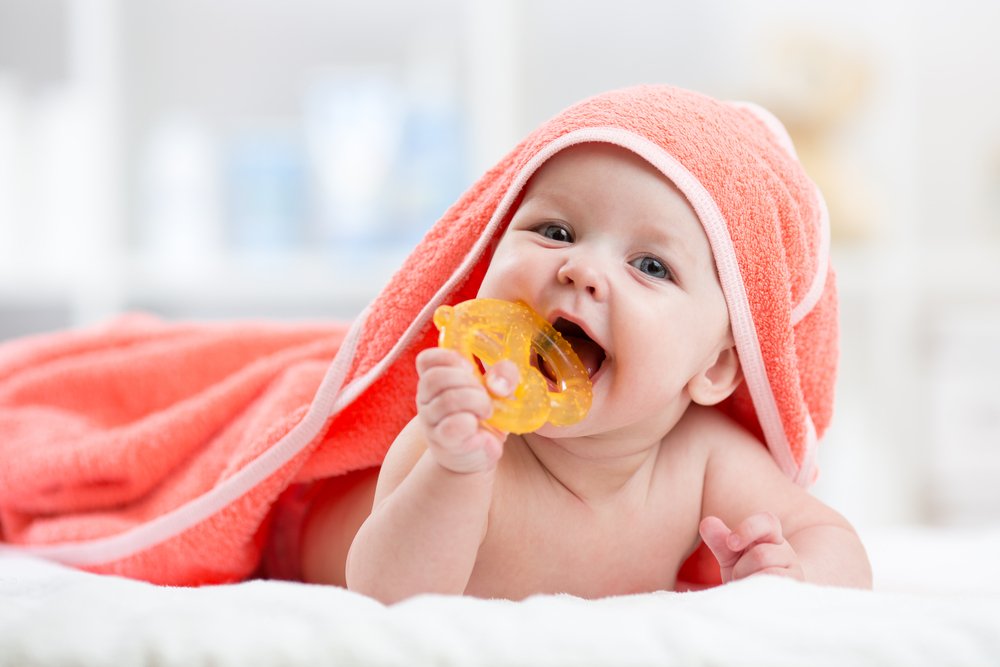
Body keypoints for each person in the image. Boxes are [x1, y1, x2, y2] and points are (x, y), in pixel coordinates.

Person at [296, 87, 872, 602]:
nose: (583, 268)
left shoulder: (701, 460)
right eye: (555, 232)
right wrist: (455, 474)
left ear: (716, 369)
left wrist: (793, 576)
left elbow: (835, 543)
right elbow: (383, 594)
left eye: (650, 265)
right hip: (304, 520)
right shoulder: (460, 429)